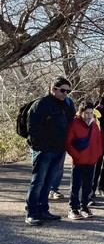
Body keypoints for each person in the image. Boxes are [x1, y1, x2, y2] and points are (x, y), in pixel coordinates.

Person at [24, 77, 76, 226]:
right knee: (38, 181)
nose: (65, 93)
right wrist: (39, 146)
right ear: (53, 89)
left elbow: (72, 123)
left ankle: (43, 210)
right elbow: (32, 128)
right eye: (62, 90)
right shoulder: (41, 104)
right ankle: (31, 213)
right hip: (43, 150)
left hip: (60, 149)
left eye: (68, 91)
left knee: (48, 182)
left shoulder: (67, 104)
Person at [65, 100, 104, 220]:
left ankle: (84, 206)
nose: (89, 116)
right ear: (80, 112)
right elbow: (68, 143)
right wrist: (76, 156)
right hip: (78, 161)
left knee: (88, 185)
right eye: (86, 113)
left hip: (91, 160)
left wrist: (97, 155)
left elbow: (99, 141)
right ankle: (73, 208)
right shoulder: (74, 124)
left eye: (90, 113)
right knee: (76, 186)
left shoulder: (94, 124)